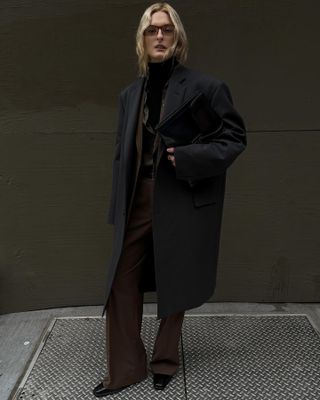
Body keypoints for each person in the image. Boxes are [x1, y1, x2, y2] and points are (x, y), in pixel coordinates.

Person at [93, 2, 246, 397]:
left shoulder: (205, 87)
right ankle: (127, 367)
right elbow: (119, 153)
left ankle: (164, 362)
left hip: (180, 195)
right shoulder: (130, 94)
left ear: (178, 39)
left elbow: (233, 139)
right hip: (137, 200)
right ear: (141, 40)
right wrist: (117, 207)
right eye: (151, 30)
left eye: (166, 30)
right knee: (120, 281)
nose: (159, 36)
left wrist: (190, 157)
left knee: (175, 279)